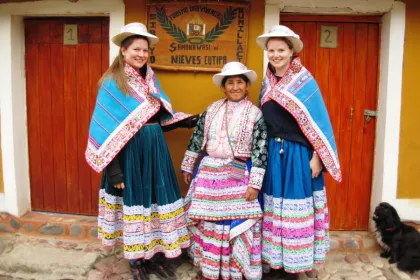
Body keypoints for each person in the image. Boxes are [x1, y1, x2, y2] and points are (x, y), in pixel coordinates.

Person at [85, 22, 198, 280]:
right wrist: (115, 173)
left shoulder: (149, 80)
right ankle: (135, 260)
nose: (141, 54)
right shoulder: (112, 83)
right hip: (130, 157)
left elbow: (158, 118)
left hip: (154, 152)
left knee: (154, 204)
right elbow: (105, 134)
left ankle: (154, 256)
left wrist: (195, 119)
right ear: (123, 51)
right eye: (136, 49)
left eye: (145, 50)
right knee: (135, 204)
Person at [256, 25, 342, 278]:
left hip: (298, 155)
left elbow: (318, 122)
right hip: (274, 153)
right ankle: (275, 263)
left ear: (291, 50)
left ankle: (293, 266)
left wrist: (317, 157)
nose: (275, 55)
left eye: (281, 49)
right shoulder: (267, 82)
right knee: (274, 206)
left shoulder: (304, 80)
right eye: (271, 50)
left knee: (295, 208)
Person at [181, 62, 268, 280]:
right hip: (209, 173)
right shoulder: (211, 110)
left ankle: (233, 270)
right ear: (224, 87)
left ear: (247, 86)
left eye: (240, 82)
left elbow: (260, 150)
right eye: (230, 82)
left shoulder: (255, 114)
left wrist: (255, 185)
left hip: (239, 174)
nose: (235, 87)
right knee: (209, 221)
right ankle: (210, 268)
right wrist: (187, 165)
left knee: (233, 222)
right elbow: (197, 138)